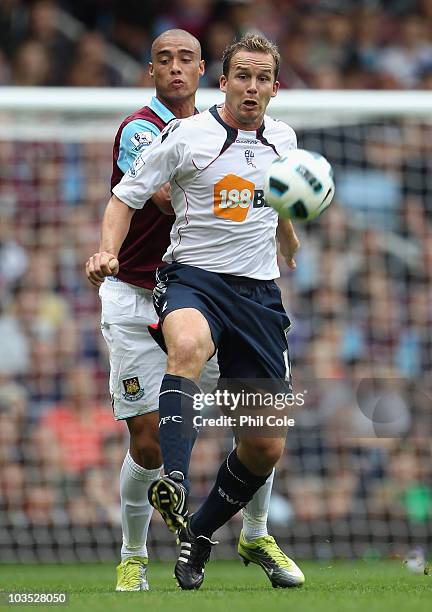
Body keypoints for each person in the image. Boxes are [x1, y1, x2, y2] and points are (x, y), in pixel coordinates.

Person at [86, 29, 301, 591]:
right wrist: (106, 250)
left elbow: (267, 186)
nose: (176, 69)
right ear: (223, 80)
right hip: (162, 286)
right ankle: (145, 537)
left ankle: (240, 533)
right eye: (164, 59)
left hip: (254, 293)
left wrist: (287, 227)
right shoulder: (164, 133)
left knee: (262, 435)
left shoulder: (281, 137)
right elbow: (144, 193)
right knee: (154, 429)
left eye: (186, 59)